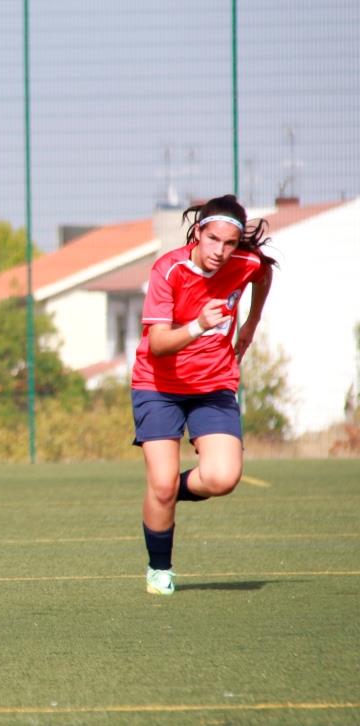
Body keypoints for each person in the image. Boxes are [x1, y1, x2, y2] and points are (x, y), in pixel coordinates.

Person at [131, 193, 275, 596]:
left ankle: (164, 493)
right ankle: (160, 569)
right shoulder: (168, 269)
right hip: (158, 387)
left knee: (224, 477)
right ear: (198, 233)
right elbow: (158, 344)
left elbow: (263, 275)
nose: (220, 252)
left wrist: (250, 323)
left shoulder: (245, 263)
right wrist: (197, 325)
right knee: (159, 485)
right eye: (213, 240)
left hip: (214, 386)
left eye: (230, 244)